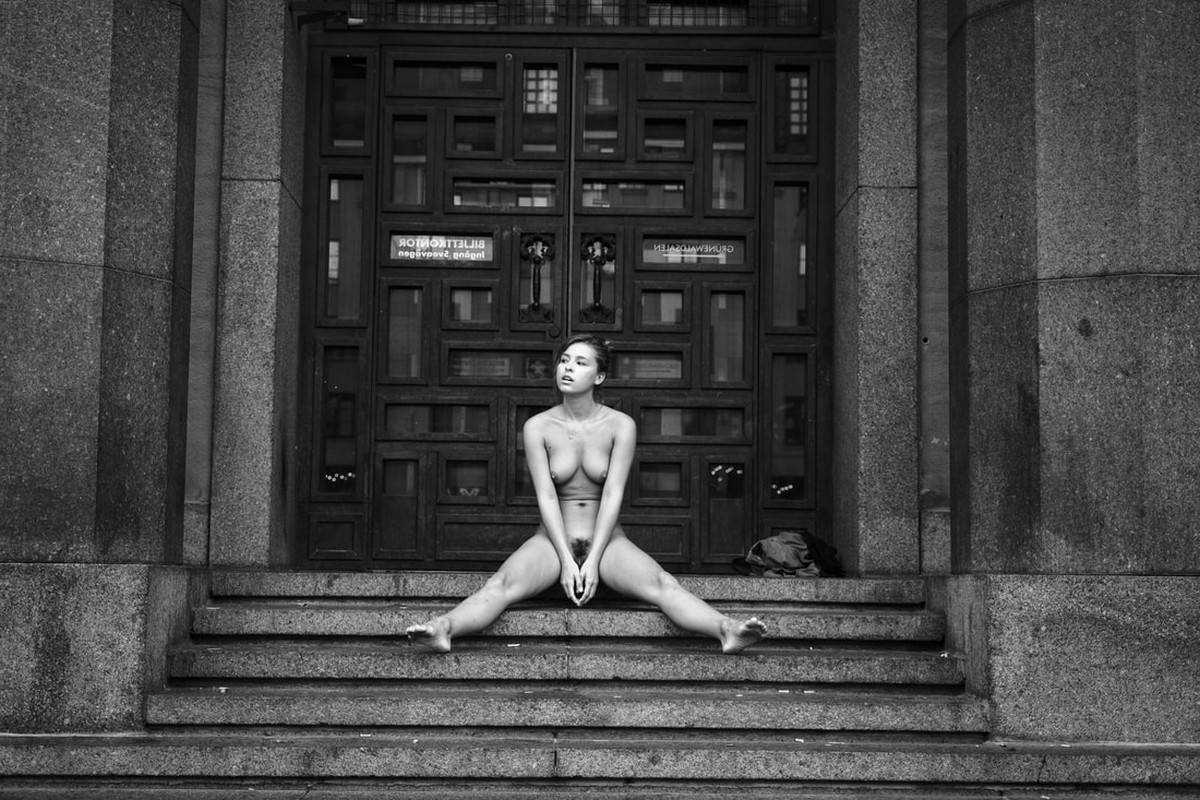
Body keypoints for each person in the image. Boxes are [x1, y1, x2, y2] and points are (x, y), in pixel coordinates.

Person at [406, 334, 767, 654]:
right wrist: (566, 560)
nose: (568, 368)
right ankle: (443, 628)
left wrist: (592, 560)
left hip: (607, 542)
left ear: (599, 377)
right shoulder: (537, 426)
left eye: (580, 363)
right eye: (564, 360)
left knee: (663, 583)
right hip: (552, 541)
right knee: (500, 584)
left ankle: (726, 630)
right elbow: (547, 497)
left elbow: (612, 495)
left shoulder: (620, 425)